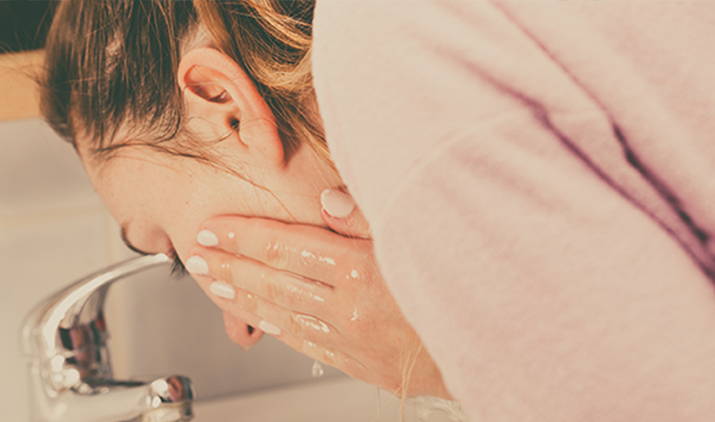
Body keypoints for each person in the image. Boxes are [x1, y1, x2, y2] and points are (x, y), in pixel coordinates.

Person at [39, 1, 715, 420]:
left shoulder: (388, 71)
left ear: (224, 107)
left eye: (181, 255)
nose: (239, 324)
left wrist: (446, 360)